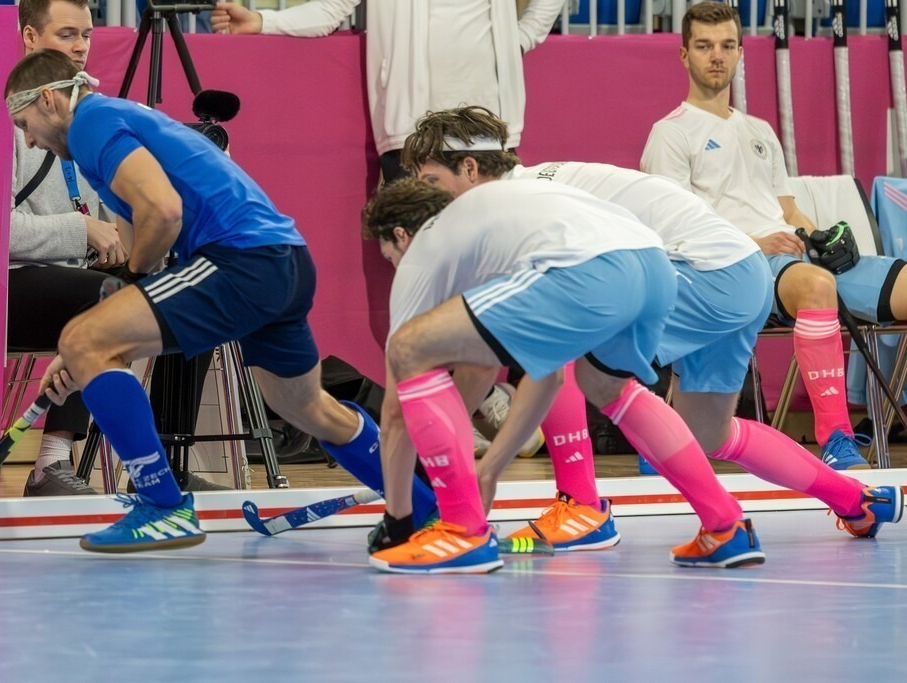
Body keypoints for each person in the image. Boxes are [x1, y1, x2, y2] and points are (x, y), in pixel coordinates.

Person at [398, 105, 903, 552]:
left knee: (577, 361)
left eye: (431, 183)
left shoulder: (512, 206)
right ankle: (857, 499)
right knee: (711, 433)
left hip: (703, 271)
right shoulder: (541, 183)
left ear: (469, 167)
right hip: (739, 271)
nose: (429, 201)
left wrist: (435, 443)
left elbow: (502, 362)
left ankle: (584, 506)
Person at [3, 49, 437, 552]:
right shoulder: (112, 125)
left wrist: (106, 317)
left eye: (25, 123)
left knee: (86, 339)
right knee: (305, 407)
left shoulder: (91, 122)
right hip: (286, 261)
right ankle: (425, 509)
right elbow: (137, 227)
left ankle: (163, 507)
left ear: (51, 100)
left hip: (240, 260)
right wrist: (89, 342)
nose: (29, 139)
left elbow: (162, 212)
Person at [362, 177, 765, 574]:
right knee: (604, 385)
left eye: (390, 257)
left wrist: (398, 522)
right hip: (654, 268)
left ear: (400, 235)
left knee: (407, 348)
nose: (396, 266)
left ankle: (462, 532)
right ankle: (724, 524)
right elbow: (548, 378)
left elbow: (398, 405)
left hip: (591, 270)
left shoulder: (426, 245)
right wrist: (490, 469)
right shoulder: (496, 232)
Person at [641, 1, 907, 471]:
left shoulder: (759, 130)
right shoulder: (669, 133)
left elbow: (788, 210)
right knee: (816, 286)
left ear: (741, 52)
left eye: (726, 46)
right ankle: (838, 441)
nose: (716, 56)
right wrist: (753, 242)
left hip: (792, 259)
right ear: (684, 54)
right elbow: (673, 225)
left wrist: (820, 234)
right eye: (704, 47)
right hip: (731, 267)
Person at [208, 0, 560, 182]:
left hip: (490, 127)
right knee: (419, 257)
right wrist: (263, 20)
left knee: (498, 250)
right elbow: (331, 10)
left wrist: (524, 36)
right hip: (412, 133)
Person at [9, 0, 123, 497]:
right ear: (30, 38)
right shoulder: (6, 115)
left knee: (181, 296)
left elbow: (104, 218)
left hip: (76, 276)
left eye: (87, 35)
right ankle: (51, 463)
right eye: (67, 34)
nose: (80, 47)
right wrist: (83, 232)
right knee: (102, 296)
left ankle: (168, 456)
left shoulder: (93, 115)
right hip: (9, 281)